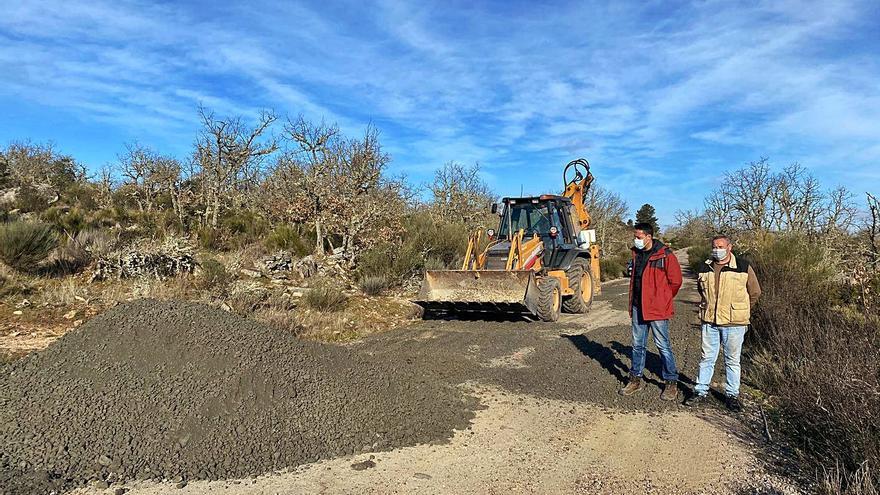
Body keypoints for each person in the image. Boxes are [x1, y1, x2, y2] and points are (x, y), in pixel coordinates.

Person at [685, 234, 761, 412]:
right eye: (714, 246)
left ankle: (732, 395)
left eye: (720, 246)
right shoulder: (705, 267)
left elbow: (755, 292)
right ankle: (700, 391)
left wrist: (740, 310)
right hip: (710, 321)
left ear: (729, 247)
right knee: (706, 358)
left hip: (734, 323)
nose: (716, 250)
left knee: (732, 360)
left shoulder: (743, 266)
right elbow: (701, 290)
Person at [618, 223, 683, 401]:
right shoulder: (636, 254)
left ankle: (671, 382)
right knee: (638, 345)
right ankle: (635, 379)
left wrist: (663, 298)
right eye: (635, 237)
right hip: (638, 306)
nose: (636, 240)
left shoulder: (665, 255)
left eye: (638, 237)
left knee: (663, 345)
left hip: (657, 308)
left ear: (649, 237)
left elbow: (676, 281)